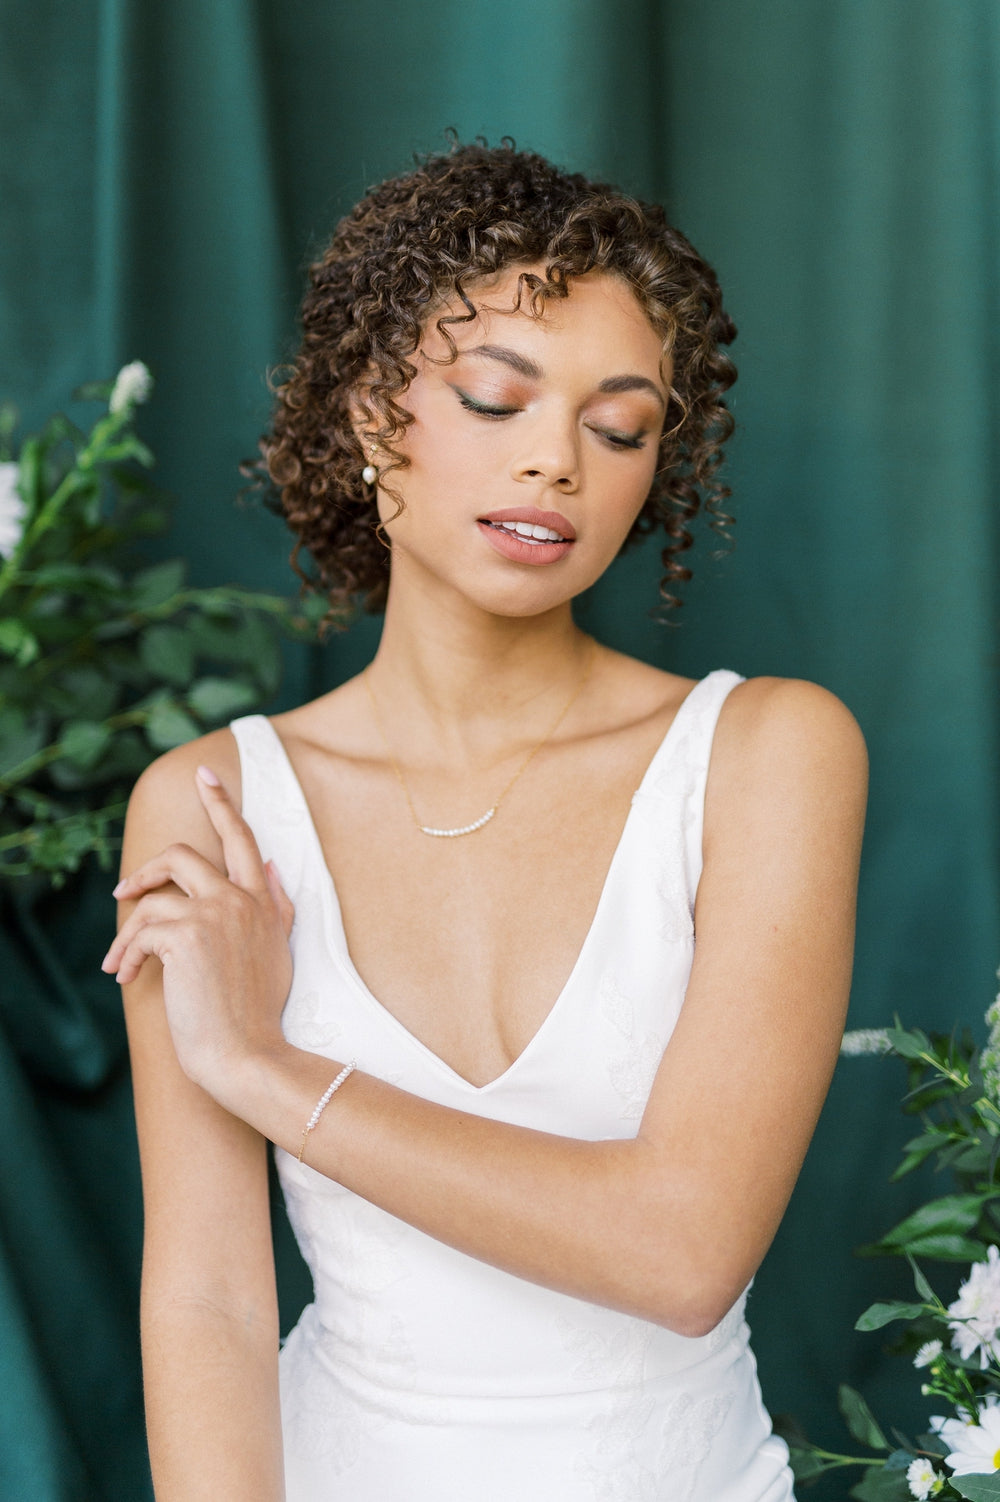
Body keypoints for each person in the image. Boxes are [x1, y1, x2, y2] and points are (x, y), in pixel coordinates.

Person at [104, 142, 867, 1501]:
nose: (555, 462)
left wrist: (270, 1067)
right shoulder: (209, 803)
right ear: (364, 413)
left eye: (618, 425)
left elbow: (684, 1255)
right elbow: (208, 1303)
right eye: (495, 396)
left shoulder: (767, 754)